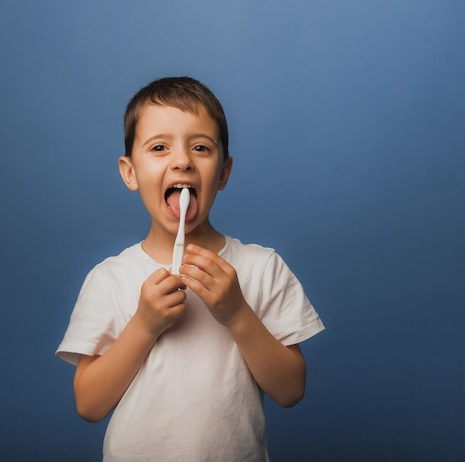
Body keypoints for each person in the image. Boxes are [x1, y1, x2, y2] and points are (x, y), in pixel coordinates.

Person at [56, 76, 324, 461]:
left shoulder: (263, 268)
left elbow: (291, 390)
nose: (182, 160)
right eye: (159, 147)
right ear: (129, 172)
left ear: (224, 171)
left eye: (200, 147)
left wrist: (237, 313)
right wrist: (144, 325)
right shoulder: (109, 279)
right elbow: (89, 404)